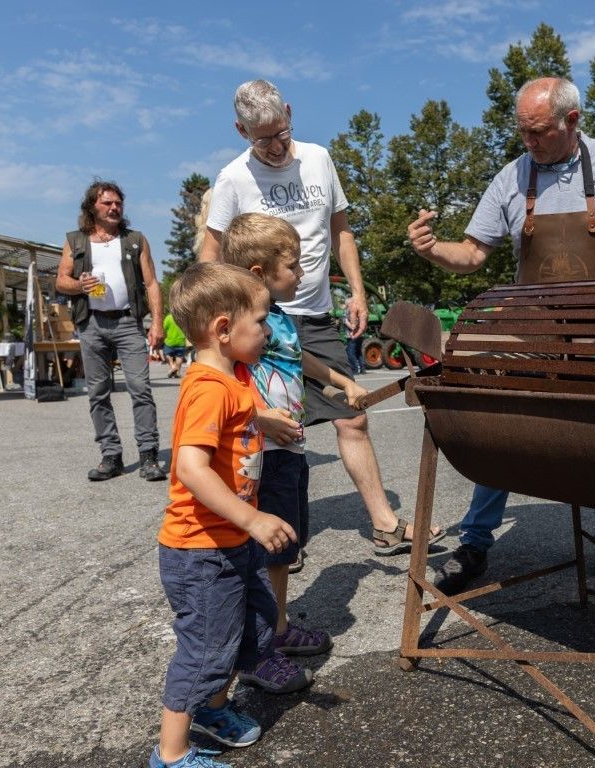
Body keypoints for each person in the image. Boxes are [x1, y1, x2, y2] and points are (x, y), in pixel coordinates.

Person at [407, 76, 595, 594]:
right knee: (510, 430)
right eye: (523, 132)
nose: (529, 143)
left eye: (539, 132)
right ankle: (476, 541)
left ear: (572, 121)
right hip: (536, 329)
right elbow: (473, 254)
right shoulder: (511, 178)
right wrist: (433, 250)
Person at [199, 78, 443, 554]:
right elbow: (211, 251)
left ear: (289, 113)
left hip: (314, 312)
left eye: (281, 132)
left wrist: (356, 291)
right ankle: (273, 538)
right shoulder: (233, 179)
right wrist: (221, 315)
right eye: (261, 138)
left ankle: (385, 523)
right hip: (261, 320)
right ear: (240, 130)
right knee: (271, 430)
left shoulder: (318, 159)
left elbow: (341, 231)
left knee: (352, 416)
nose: (274, 146)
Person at [152, 261, 309, 768]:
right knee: (205, 651)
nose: (268, 330)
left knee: (255, 629)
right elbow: (191, 467)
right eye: (261, 321)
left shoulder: (235, 377)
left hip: (231, 545)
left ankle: (216, 710)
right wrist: (252, 519)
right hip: (202, 552)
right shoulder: (207, 387)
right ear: (224, 329)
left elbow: (235, 418)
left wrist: (264, 419)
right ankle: (171, 754)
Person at [221, 213, 367, 660]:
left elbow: (300, 360)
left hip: (289, 450)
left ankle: (276, 627)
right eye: (295, 267)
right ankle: (261, 639)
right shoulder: (237, 326)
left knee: (284, 543)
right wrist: (259, 416)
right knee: (261, 545)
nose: (303, 274)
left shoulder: (281, 318)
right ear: (260, 274)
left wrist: (342, 383)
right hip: (257, 453)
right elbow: (220, 379)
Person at [55, 180, 167, 482]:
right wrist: (79, 285)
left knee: (141, 389)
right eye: (107, 203)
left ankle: (149, 456)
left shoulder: (135, 240)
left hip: (128, 323)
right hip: (91, 323)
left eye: (118, 203)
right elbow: (60, 280)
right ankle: (111, 456)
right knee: (98, 393)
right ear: (93, 207)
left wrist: (157, 323)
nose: (114, 207)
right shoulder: (76, 241)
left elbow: (152, 283)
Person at [161, 312, 189, 379]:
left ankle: (173, 367)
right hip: (181, 341)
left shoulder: (168, 318)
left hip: (170, 341)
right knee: (179, 356)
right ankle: (178, 372)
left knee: (167, 354)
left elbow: (163, 328)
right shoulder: (183, 318)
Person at [342, 295, 365, 375]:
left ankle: (355, 370)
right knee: (359, 352)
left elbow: (345, 321)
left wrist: (352, 329)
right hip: (360, 335)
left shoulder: (347, 310)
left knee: (350, 353)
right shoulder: (358, 310)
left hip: (351, 335)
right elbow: (360, 321)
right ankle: (362, 369)